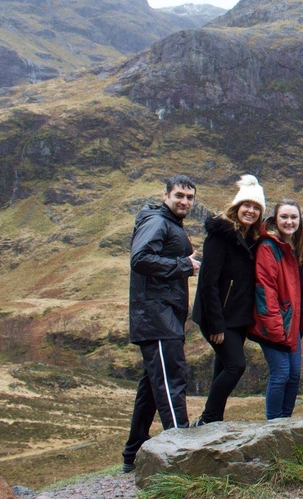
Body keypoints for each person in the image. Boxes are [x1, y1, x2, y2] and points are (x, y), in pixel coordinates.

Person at [122, 175, 201, 473]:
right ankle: (182, 455)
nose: (184, 202)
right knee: (171, 380)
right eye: (179, 195)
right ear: (166, 194)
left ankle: (132, 453)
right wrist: (184, 266)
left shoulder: (169, 224)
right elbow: (140, 258)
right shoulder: (157, 221)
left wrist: (185, 260)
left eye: (189, 198)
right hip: (156, 316)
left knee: (153, 386)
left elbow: (157, 258)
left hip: (163, 315)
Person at [191, 174, 265, 426]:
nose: (251, 211)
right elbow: (208, 283)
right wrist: (215, 324)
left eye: (256, 208)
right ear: (237, 207)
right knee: (235, 366)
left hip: (239, 318)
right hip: (218, 317)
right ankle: (208, 418)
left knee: (223, 367)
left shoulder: (251, 239)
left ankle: (213, 420)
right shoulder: (220, 236)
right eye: (247, 206)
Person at [251, 199, 303, 420]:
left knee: (294, 375)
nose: (289, 221)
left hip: (293, 324)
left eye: (293, 217)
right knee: (281, 374)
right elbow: (265, 289)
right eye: (284, 217)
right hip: (275, 324)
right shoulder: (269, 247)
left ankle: (285, 424)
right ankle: (274, 425)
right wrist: (275, 328)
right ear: (276, 219)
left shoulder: (299, 246)